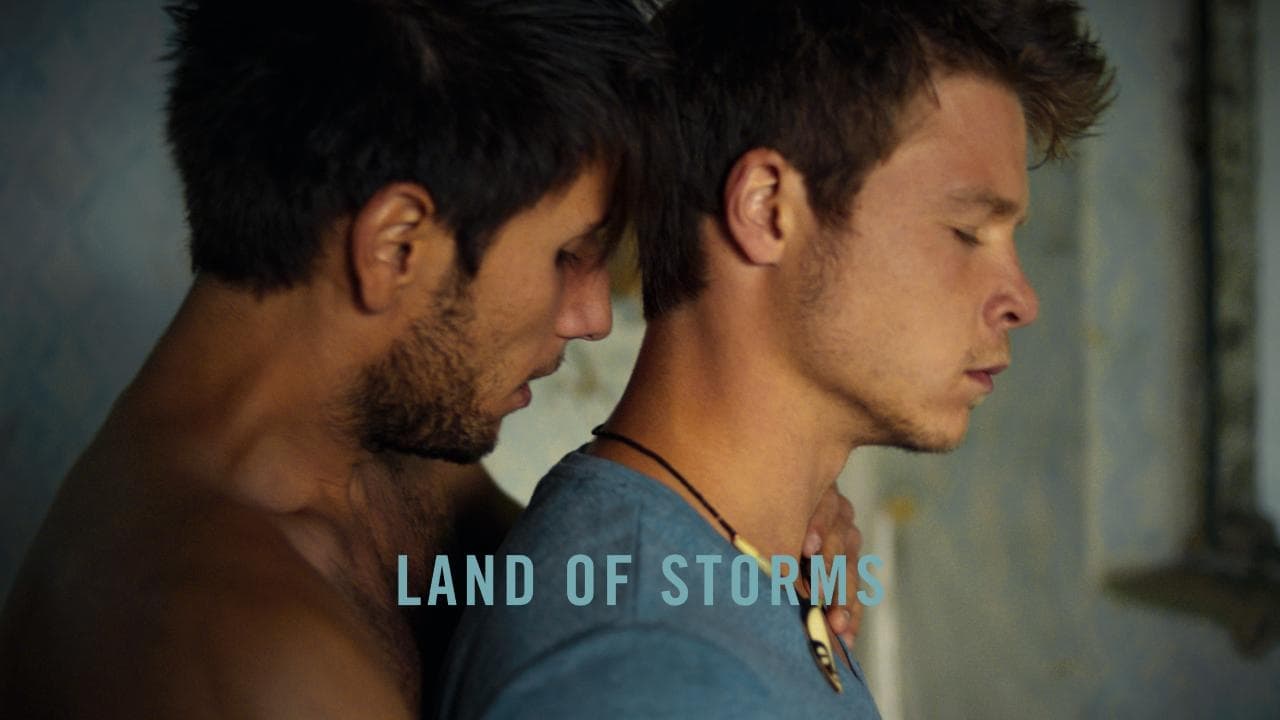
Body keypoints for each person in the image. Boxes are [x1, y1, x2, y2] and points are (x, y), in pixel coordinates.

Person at [0, 1, 868, 717]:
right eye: (570, 254)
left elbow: (591, 571)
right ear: (396, 246)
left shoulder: (389, 447)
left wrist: (755, 518)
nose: (594, 316)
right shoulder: (228, 658)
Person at [438, 0, 1114, 717]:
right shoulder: (644, 670)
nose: (1021, 299)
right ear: (766, 209)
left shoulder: (741, 561)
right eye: (967, 231)